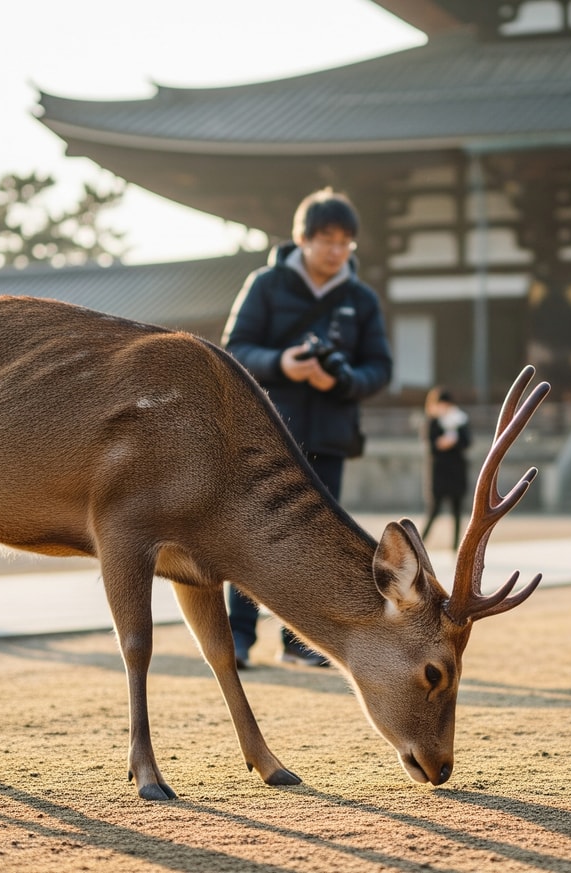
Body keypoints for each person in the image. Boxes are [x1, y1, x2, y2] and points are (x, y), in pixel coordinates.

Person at [221, 188, 393, 669]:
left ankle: (301, 643)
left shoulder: (361, 299)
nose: (336, 250)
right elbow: (234, 350)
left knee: (318, 543)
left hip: (329, 437)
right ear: (302, 238)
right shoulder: (266, 284)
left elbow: (378, 369)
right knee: (250, 533)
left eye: (345, 242)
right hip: (267, 435)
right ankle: (238, 637)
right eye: (326, 239)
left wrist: (338, 380)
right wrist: (282, 364)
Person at [422, 386, 471, 548]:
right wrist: (444, 443)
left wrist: (453, 442)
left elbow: (467, 441)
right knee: (434, 511)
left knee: (457, 512)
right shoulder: (433, 421)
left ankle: (456, 547)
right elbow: (432, 445)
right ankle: (419, 545)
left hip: (456, 471)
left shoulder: (460, 420)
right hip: (439, 472)